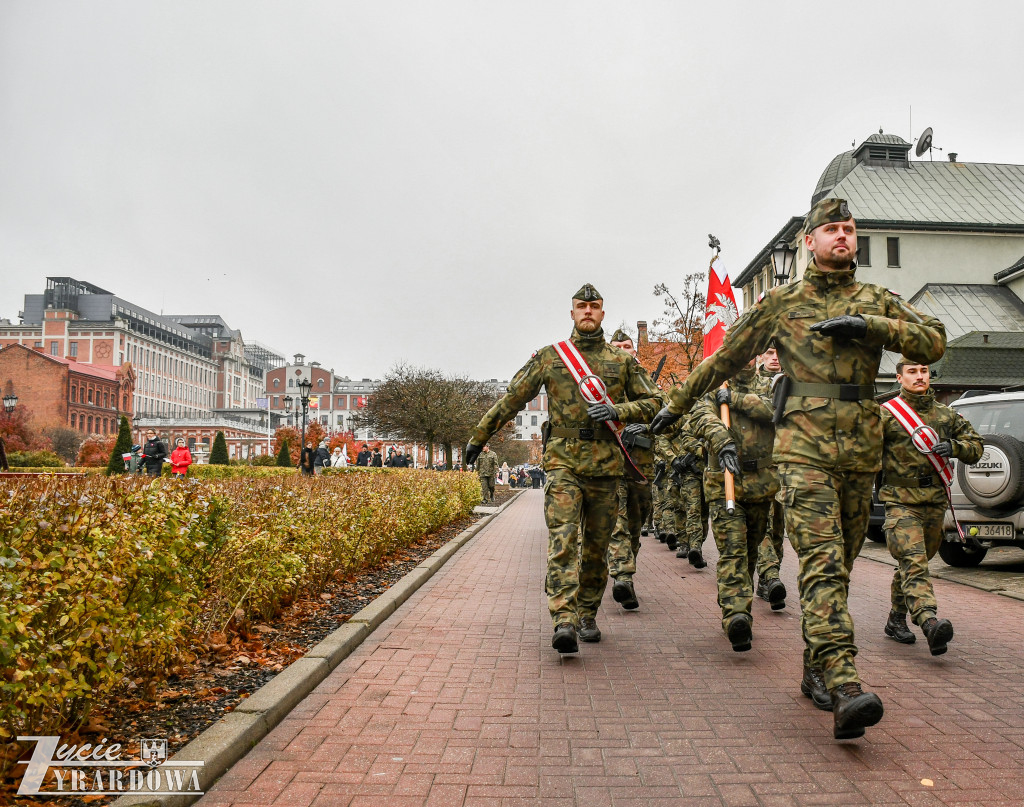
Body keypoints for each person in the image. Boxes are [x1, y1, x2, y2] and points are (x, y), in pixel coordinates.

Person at [651, 197, 946, 740]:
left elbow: (934, 340)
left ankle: (814, 666)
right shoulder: (782, 303)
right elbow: (724, 359)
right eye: (830, 229)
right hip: (802, 452)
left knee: (844, 562)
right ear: (808, 241)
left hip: (860, 453)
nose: (841, 236)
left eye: (849, 230)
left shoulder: (877, 299)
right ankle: (844, 681)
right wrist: (670, 405)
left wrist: (870, 325)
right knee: (824, 562)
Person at [465, 284, 660, 653]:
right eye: (581, 306)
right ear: (572, 313)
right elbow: (513, 397)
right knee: (563, 541)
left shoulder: (622, 362)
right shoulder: (552, 357)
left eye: (594, 306)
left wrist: (619, 411)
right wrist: (480, 435)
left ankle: (587, 612)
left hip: (606, 464)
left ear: (602, 313)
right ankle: (564, 619)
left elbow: (656, 401)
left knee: (597, 547)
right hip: (562, 463)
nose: (588, 311)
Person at [880, 359, 982, 654]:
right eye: (912, 372)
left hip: (935, 502)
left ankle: (896, 619)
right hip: (900, 502)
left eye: (923, 371)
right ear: (899, 377)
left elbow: (976, 445)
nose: (919, 376)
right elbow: (864, 451)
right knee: (913, 561)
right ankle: (928, 621)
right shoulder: (887, 415)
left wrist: (955, 447)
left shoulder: (945, 415)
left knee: (914, 564)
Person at [689, 359, 777, 651]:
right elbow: (699, 416)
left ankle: (739, 601)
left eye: (750, 351)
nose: (746, 356)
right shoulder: (714, 384)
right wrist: (721, 439)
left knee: (751, 551)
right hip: (723, 481)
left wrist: (736, 399)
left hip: (762, 482)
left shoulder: (771, 383)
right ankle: (736, 614)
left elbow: (773, 411)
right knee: (732, 550)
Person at [605, 329, 658, 611]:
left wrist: (646, 424)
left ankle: (626, 571)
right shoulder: (602, 385)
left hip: (641, 466)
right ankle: (622, 577)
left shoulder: (646, 382)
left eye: (628, 346)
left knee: (636, 525)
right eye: (618, 346)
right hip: (611, 464)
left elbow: (670, 417)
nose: (624, 350)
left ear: (635, 351)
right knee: (618, 523)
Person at [754, 345, 788, 610]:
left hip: (784, 470)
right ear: (760, 357)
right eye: (769, 352)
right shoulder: (752, 385)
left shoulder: (792, 384)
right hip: (760, 469)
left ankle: (766, 580)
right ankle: (771, 575)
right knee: (763, 527)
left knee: (778, 529)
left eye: (779, 352)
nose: (775, 357)